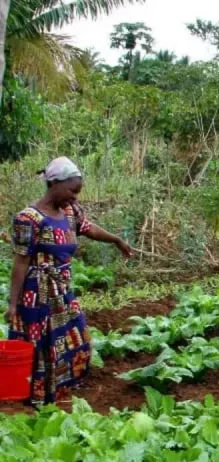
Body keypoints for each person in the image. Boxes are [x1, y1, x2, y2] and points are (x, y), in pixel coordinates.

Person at [5, 157, 133, 405]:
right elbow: (20, 262)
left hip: (62, 290)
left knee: (77, 341)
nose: (75, 197)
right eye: (72, 191)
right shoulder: (28, 219)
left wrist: (116, 239)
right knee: (43, 346)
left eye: (77, 192)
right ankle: (38, 398)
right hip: (37, 294)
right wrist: (12, 304)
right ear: (54, 183)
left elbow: (88, 228)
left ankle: (61, 391)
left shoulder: (69, 211)